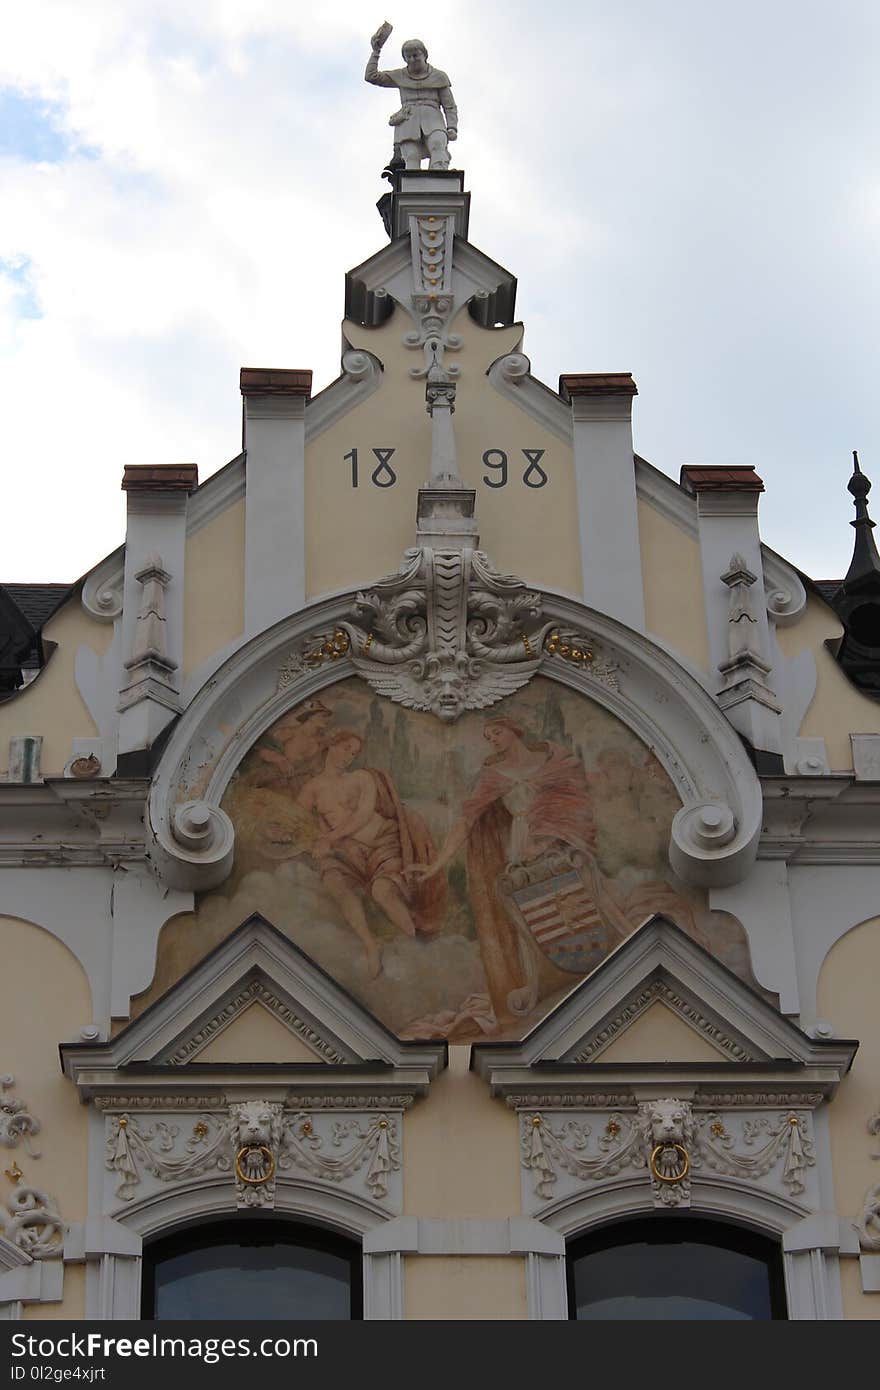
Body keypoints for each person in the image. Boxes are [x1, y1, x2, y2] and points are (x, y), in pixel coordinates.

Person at [407, 716, 633, 1019]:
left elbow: (575, 798)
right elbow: (466, 821)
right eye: (488, 736)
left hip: (561, 837)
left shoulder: (554, 758)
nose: (493, 739)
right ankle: (536, 983)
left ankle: (629, 943)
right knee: (527, 911)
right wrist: (436, 866)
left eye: (496, 732)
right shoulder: (492, 774)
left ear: (515, 730)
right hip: (522, 842)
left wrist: (554, 831)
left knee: (590, 892)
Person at [297, 729, 445, 978]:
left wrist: (329, 837)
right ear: (330, 744)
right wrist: (320, 842)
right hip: (346, 851)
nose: (349, 757)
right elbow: (300, 822)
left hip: (383, 841)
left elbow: (363, 815)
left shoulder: (361, 778)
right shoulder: (311, 788)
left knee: (382, 891)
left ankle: (417, 945)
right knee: (335, 884)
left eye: (354, 753)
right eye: (346, 748)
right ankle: (370, 945)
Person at [365, 31, 458, 171]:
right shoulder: (400, 75)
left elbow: (449, 106)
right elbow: (371, 76)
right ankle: (413, 188)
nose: (412, 59)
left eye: (416, 55)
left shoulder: (439, 76)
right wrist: (376, 51)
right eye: (408, 57)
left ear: (424, 55)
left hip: (433, 119)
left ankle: (439, 178)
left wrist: (452, 126)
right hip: (408, 120)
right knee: (411, 156)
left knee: (438, 145)